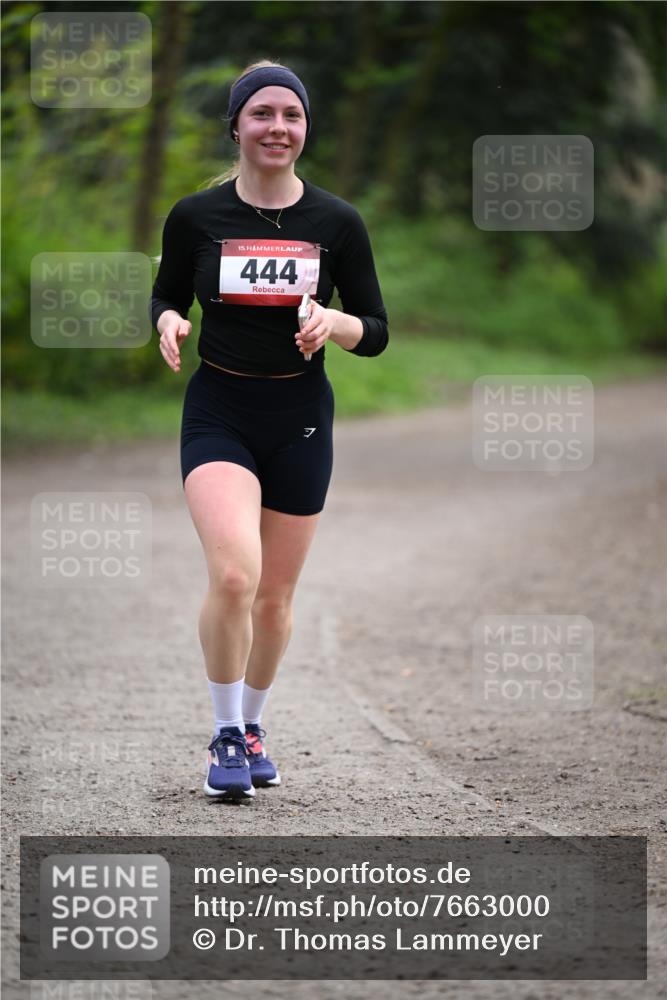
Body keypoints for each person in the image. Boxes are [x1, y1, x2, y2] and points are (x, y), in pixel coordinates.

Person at [150, 59, 388, 801]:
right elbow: (164, 293)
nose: (276, 126)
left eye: (290, 114)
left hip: (300, 419)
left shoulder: (336, 223)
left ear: (305, 127)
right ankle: (223, 734)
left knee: (274, 600)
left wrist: (333, 321)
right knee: (232, 574)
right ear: (237, 126)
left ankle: (253, 725)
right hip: (219, 409)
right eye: (262, 113)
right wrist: (166, 319)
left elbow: (375, 329)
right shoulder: (196, 216)